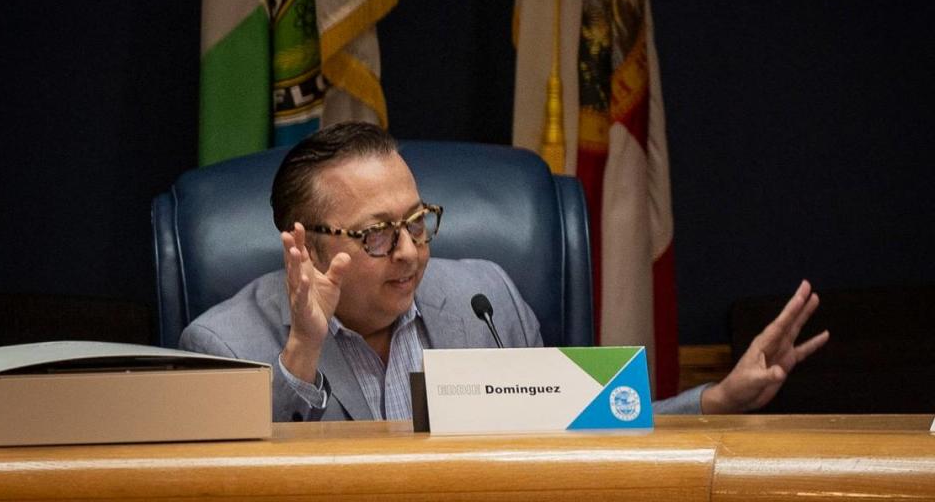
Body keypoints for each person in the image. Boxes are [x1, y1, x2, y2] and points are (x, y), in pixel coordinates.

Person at [180, 122, 829, 421]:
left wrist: (716, 399)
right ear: (307, 245)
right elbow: (237, 483)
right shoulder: (223, 347)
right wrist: (302, 350)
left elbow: (577, 425)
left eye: (417, 220)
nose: (409, 251)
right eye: (377, 234)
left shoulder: (482, 299)